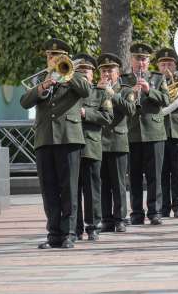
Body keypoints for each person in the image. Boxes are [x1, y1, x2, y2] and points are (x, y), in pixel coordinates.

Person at [20, 39, 91, 249]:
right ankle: (53, 234)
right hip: (44, 138)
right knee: (48, 189)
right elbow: (25, 101)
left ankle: (69, 233)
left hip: (69, 137)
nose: (53, 59)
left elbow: (86, 91)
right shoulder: (41, 79)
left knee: (68, 187)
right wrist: (44, 85)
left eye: (57, 56)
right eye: (50, 56)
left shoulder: (75, 76)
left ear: (65, 57)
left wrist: (66, 77)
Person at [123, 43, 170, 225]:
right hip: (132, 132)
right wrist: (131, 93)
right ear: (131, 60)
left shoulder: (158, 78)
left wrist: (149, 90)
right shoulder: (124, 79)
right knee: (134, 176)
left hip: (154, 132)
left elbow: (166, 100)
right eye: (137, 59)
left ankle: (155, 211)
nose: (141, 63)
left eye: (144, 59)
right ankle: (136, 212)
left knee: (155, 175)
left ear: (149, 61)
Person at [74, 53, 113, 242]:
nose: (83, 74)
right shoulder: (69, 92)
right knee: (72, 190)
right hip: (71, 147)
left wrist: (85, 113)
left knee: (92, 190)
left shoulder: (100, 93)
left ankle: (92, 226)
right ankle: (75, 226)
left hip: (90, 146)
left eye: (86, 71)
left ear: (92, 74)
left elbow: (107, 117)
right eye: (79, 71)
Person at [99, 53, 133, 233]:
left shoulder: (126, 90)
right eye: (104, 71)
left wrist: (113, 94)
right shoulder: (96, 89)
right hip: (100, 142)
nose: (107, 74)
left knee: (118, 183)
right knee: (103, 183)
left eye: (110, 70)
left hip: (118, 141)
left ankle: (120, 219)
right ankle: (106, 219)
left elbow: (130, 110)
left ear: (118, 73)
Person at [156, 47, 178, 219]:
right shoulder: (154, 82)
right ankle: (163, 206)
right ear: (158, 67)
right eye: (163, 64)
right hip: (159, 131)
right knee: (162, 171)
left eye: (170, 63)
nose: (166, 67)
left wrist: (175, 92)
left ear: (175, 65)